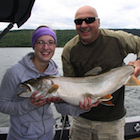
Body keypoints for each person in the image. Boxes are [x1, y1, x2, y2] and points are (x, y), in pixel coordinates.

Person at [0, 26, 99, 140]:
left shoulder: (55, 74)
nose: (45, 47)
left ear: (55, 46)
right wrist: (29, 105)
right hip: (20, 136)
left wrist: (82, 108)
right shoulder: (14, 72)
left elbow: (61, 108)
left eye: (50, 43)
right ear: (34, 45)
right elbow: (2, 105)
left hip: (48, 135)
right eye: (40, 42)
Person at [62, 5, 140, 140]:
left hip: (112, 123)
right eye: (78, 22)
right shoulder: (69, 50)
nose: (84, 25)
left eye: (89, 20)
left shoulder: (117, 39)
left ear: (98, 22)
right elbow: (70, 86)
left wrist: (138, 62)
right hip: (81, 121)